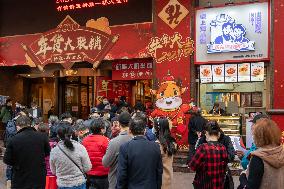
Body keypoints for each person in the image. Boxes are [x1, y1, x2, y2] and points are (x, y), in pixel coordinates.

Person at [3, 115, 51, 189]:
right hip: (38, 176)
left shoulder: (13, 139)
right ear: (30, 124)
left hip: (20, 176)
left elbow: (7, 160)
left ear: (18, 126)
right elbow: (47, 152)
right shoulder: (42, 137)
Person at [116, 117, 163, 189]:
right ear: (144, 131)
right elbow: (159, 171)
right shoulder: (155, 147)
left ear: (130, 131)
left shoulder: (125, 147)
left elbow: (122, 174)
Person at [238, 119, 284, 189]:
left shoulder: (258, 157)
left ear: (258, 136)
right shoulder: (282, 151)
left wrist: (242, 176)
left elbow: (250, 187)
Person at [50, 122, 92, 189]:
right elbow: (88, 167)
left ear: (58, 135)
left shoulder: (54, 151)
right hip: (79, 183)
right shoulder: (80, 147)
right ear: (71, 134)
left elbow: (53, 171)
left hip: (62, 184)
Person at [189, 121, 228, 189]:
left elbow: (192, 167)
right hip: (219, 185)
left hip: (204, 185)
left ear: (206, 133)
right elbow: (224, 166)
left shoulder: (203, 148)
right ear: (218, 134)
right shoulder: (223, 148)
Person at [102, 111, 132, 189]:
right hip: (134, 181)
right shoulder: (135, 139)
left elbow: (105, 163)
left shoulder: (114, 142)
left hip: (116, 180)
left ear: (119, 123)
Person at [82, 118, 110, 189]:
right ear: (102, 129)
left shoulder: (85, 140)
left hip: (89, 173)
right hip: (103, 174)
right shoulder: (106, 140)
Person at [153, 117, 176, 189]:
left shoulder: (157, 145)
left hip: (160, 180)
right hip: (169, 176)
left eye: (154, 126)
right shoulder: (172, 143)